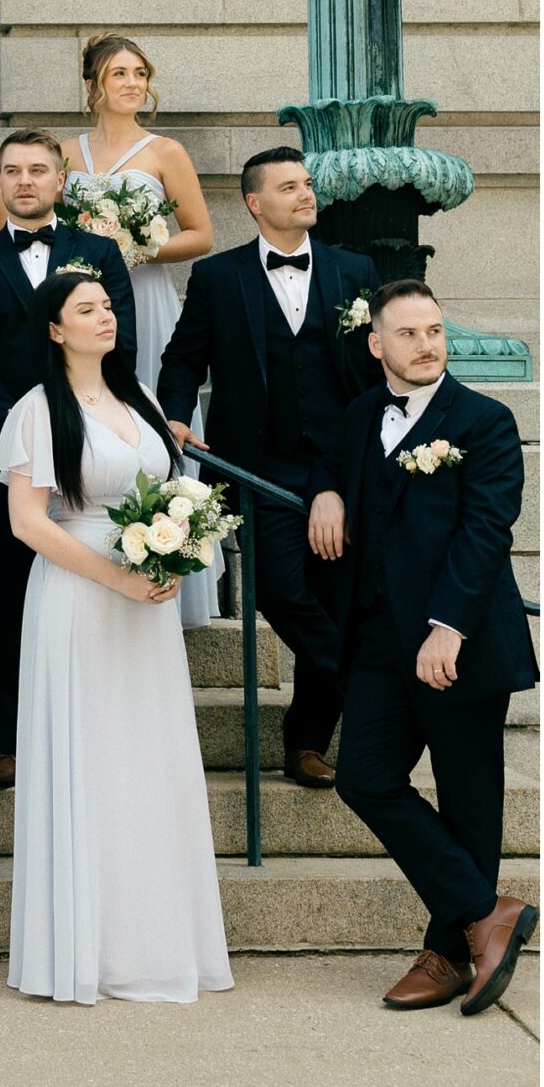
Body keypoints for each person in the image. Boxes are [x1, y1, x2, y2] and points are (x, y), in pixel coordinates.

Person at [0, 266, 233, 1005]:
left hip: (146, 604)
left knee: (146, 758)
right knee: (89, 758)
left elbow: (168, 491)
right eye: (86, 309)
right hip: (78, 596)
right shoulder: (35, 410)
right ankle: (84, 948)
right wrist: (115, 576)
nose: (105, 318)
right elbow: (26, 522)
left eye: (107, 307)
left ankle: (154, 940)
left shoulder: (144, 399)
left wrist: (177, 547)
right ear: (55, 329)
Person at [325, 281, 538, 1014]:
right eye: (408, 334)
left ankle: (447, 952)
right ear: (375, 344)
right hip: (381, 640)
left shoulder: (482, 420)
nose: (426, 345)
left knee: (469, 801)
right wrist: (326, 492)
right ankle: (486, 912)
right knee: (363, 777)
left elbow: (484, 533)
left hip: (461, 641)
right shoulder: (359, 417)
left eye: (434, 331)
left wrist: (447, 626)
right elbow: (337, 474)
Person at [157, 146, 378, 790]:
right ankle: (369, 685)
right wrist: (174, 415)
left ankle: (307, 743)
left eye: (307, 184)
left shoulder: (353, 269)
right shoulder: (218, 278)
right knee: (283, 590)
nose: (306, 194)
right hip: (255, 468)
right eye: (289, 187)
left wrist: (342, 479)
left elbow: (372, 376)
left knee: (335, 601)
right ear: (256, 203)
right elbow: (181, 360)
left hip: (338, 466)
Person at [0, 129, 136, 788]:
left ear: (59, 181)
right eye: (10, 171)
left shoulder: (99, 253)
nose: (23, 181)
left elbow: (122, 346)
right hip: (6, 459)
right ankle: (15, 742)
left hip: (97, 459)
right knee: (9, 599)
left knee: (96, 586)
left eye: (36, 170)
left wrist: (75, 429)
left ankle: (97, 731)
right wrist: (28, 438)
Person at [59, 33, 219, 630]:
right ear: (93, 86)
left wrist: (140, 247)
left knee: (149, 412)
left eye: (139, 74)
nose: (132, 83)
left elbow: (200, 233)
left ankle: (170, 550)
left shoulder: (165, 152)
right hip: (81, 304)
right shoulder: (66, 154)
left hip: (144, 298)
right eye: (118, 74)